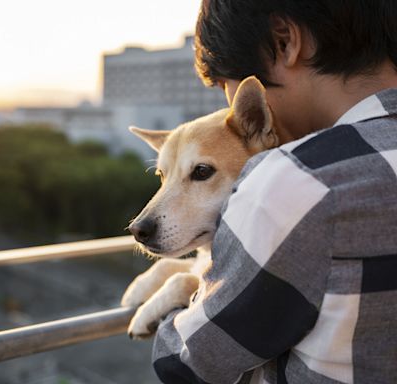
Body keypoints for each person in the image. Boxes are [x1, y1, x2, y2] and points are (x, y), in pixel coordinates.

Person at [151, 1, 397, 383]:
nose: (229, 106)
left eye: (225, 84)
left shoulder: (298, 179)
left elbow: (187, 363)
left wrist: (185, 296)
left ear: (284, 42)